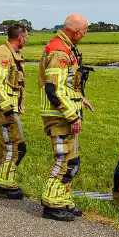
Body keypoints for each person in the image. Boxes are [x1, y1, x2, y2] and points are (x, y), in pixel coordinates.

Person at [38, 13, 94, 221]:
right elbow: (54, 89)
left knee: (72, 159)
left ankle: (63, 199)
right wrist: (71, 115)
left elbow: (67, 85)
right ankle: (51, 203)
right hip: (59, 115)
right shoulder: (60, 52)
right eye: (84, 31)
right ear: (77, 31)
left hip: (65, 113)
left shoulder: (64, 47)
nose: (85, 35)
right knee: (64, 159)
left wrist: (80, 99)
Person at [0, 23, 29, 199]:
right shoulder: (3, 55)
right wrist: (7, 108)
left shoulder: (10, 52)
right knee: (13, 143)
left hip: (4, 106)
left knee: (8, 143)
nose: (26, 40)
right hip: (2, 107)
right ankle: (5, 183)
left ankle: (0, 180)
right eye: (26, 37)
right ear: (20, 38)